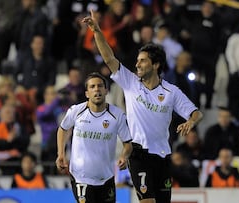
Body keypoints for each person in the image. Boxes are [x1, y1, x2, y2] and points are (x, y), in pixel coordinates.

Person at [82, 10, 203, 203]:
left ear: (155, 65)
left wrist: (191, 121)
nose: (137, 64)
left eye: (142, 61)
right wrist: (97, 31)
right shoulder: (131, 83)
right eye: (137, 60)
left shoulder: (171, 92)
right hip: (138, 153)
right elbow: (109, 59)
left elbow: (196, 113)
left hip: (163, 154)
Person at [56, 72, 133, 203]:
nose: (96, 89)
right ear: (87, 93)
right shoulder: (76, 111)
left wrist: (124, 156)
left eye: (100, 86)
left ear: (106, 91)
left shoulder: (117, 115)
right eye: (92, 87)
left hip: (106, 177)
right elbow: (63, 129)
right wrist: (61, 154)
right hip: (81, 177)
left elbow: (128, 143)